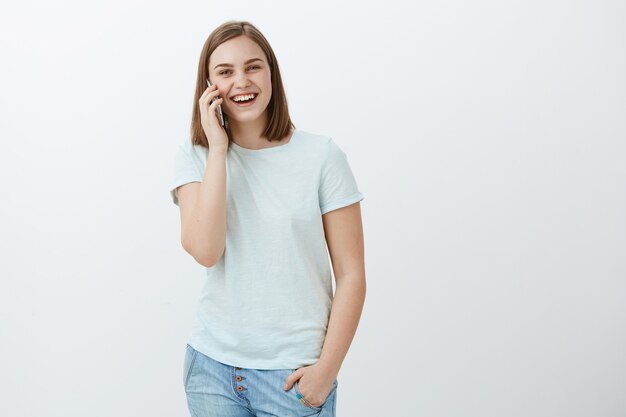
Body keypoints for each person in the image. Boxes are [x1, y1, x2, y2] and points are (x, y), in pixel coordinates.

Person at [170, 20, 366, 417]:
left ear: (271, 73)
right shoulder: (196, 156)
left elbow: (352, 274)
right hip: (212, 371)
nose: (241, 81)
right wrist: (219, 150)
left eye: (253, 67)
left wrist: (326, 371)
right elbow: (206, 251)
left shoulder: (322, 157)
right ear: (208, 87)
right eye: (225, 72)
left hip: (294, 378)